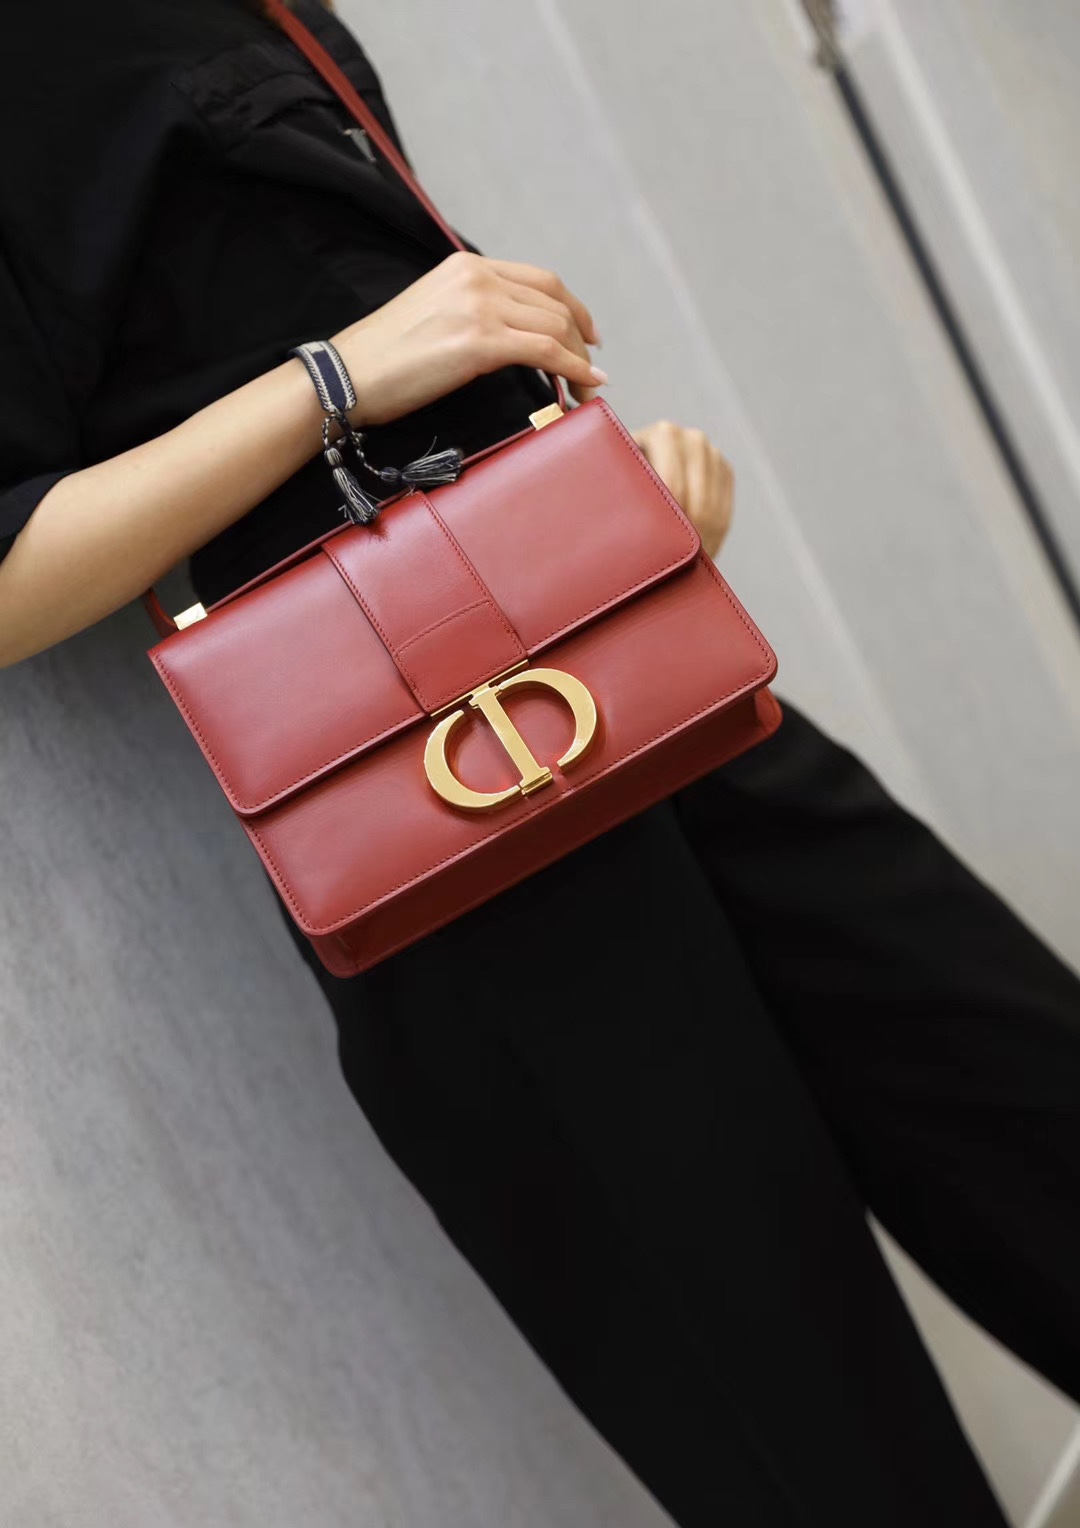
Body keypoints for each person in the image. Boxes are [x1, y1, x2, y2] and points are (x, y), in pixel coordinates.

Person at [2, 1, 1078, 1522]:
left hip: (639, 705)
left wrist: (596, 526)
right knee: (826, 1448)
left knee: (1027, 1107)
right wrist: (337, 378)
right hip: (446, 845)